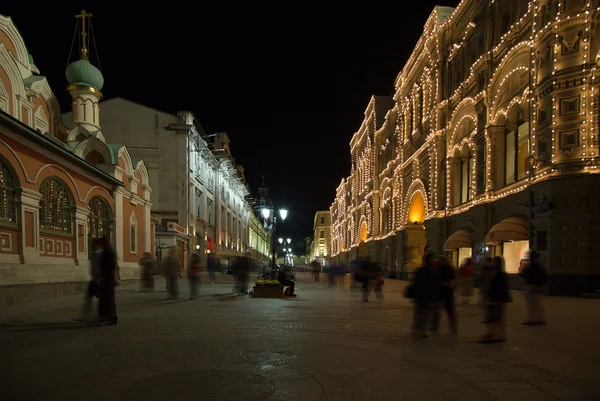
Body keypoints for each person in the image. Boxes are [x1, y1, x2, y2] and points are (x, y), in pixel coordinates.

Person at [480, 256, 511, 343]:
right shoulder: (496, 274)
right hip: (495, 298)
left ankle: (495, 335)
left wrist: (497, 298)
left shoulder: (500, 275)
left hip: (497, 299)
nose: (494, 264)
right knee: (495, 318)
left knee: (495, 318)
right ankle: (497, 335)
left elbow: (500, 288)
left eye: (496, 262)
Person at [411, 252, 440, 339]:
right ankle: (421, 329)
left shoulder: (421, 270)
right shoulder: (432, 271)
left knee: (421, 313)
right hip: (425, 295)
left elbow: (415, 282)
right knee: (423, 313)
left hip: (423, 295)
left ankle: (419, 329)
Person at [74, 238, 103, 322]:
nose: (92, 245)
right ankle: (88, 315)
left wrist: (99, 278)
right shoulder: (95, 254)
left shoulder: (99, 254)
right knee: (90, 297)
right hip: (95, 279)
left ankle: (93, 316)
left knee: (96, 298)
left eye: (93, 244)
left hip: (98, 280)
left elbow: (100, 267)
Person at [430, 255, 457, 335]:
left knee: (437, 311)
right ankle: (453, 328)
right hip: (447, 293)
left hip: (441, 293)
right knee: (449, 311)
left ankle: (435, 326)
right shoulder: (449, 269)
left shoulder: (439, 269)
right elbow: (453, 281)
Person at [520, 250, 548, 325]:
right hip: (536, 286)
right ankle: (539, 319)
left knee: (531, 304)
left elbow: (525, 274)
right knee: (537, 304)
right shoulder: (539, 265)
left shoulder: (532, 265)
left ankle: (532, 319)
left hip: (531, 286)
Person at [97, 236, 118, 325]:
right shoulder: (108, 251)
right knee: (107, 298)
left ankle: (111, 317)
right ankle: (107, 316)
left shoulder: (108, 252)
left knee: (108, 298)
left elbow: (112, 266)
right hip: (107, 277)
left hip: (108, 278)